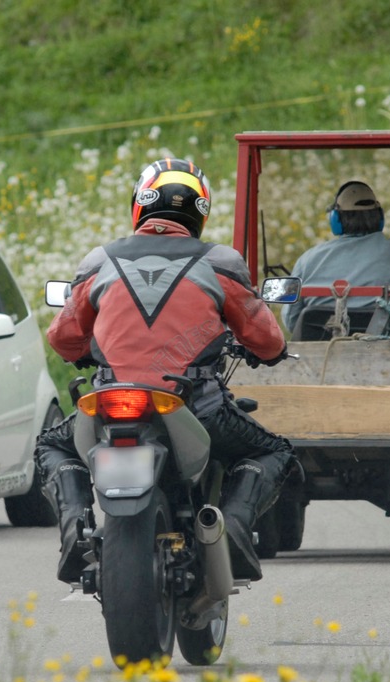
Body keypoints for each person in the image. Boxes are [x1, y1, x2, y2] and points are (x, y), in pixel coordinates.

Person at [36, 157, 301, 584]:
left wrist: (89, 347)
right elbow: (267, 342)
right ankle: (232, 527)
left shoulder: (99, 260)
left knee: (53, 446)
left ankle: (74, 531)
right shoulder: (221, 262)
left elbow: (62, 338)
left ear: (139, 205)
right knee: (273, 451)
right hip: (195, 404)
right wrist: (267, 351)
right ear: (200, 212)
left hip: (110, 400)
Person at [283, 180, 390, 340]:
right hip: (387, 356)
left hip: (319, 359)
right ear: (380, 218)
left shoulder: (307, 260)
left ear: (335, 220)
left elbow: (291, 321)